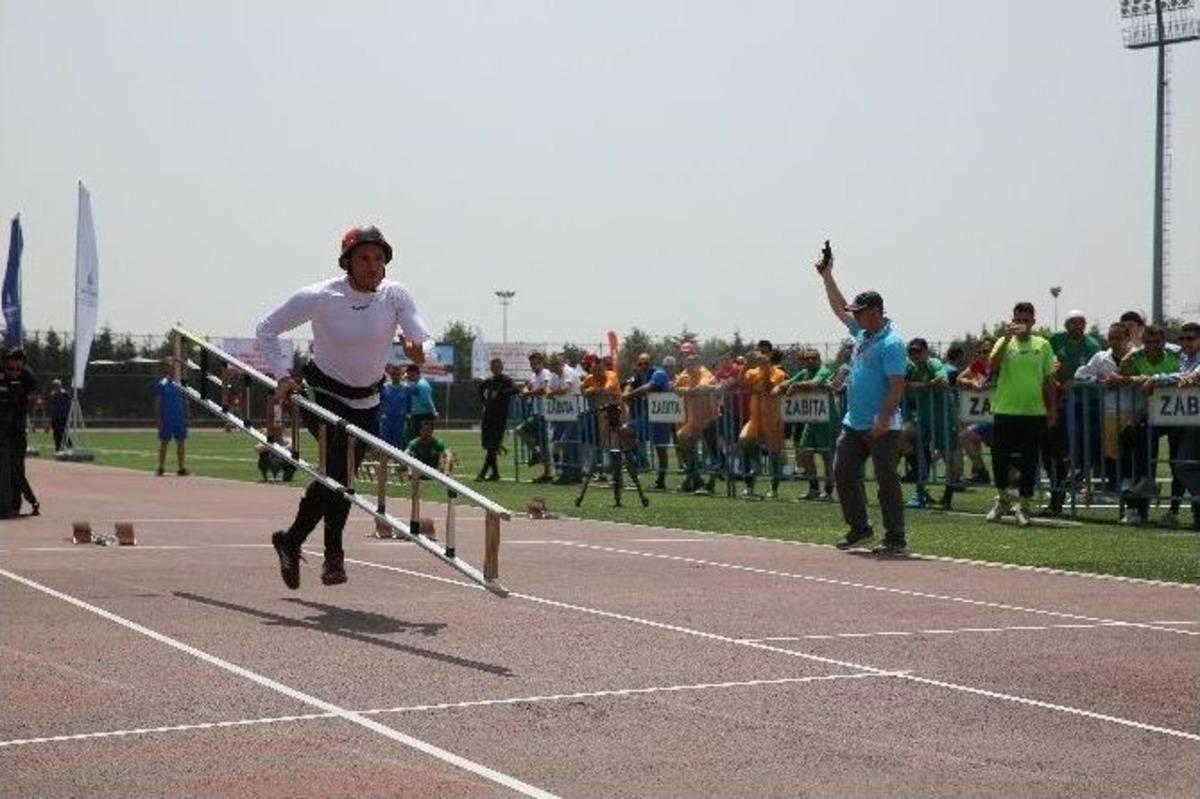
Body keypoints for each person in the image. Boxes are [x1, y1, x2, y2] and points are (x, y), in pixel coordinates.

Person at [257, 224, 431, 589]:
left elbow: (421, 334)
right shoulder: (321, 296)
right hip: (323, 393)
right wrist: (282, 375)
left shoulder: (395, 295)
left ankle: (290, 540)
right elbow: (267, 329)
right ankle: (333, 555)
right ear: (347, 263)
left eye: (379, 259)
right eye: (364, 259)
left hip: (368, 399)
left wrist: (420, 349)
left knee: (341, 479)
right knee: (338, 473)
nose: (373, 266)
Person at [815, 247, 909, 556]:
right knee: (842, 472)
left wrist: (884, 416)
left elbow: (897, 383)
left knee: (886, 480)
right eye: (855, 312)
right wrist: (827, 275)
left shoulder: (892, 343)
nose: (854, 315)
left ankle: (895, 536)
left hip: (882, 425)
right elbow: (838, 308)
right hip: (854, 422)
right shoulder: (862, 334)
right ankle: (860, 528)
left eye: (860, 311)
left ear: (876, 311)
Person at [985, 302, 1057, 527]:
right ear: (1012, 320)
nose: (1022, 324)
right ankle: (1003, 499)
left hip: (1033, 412)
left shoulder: (1043, 345)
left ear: (1033, 322)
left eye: (1027, 320)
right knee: (999, 457)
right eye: (1018, 320)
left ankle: (1023, 505)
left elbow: (1049, 380)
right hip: (1005, 410)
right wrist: (1006, 338)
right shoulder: (1003, 342)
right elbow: (992, 366)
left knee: (1029, 460)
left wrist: (1052, 409)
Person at [1118, 324, 1181, 525]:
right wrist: (1131, 369)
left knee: (1176, 463)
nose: (1153, 346)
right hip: (1149, 416)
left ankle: (1174, 511)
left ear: (1163, 342)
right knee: (1142, 458)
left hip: (1177, 416)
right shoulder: (1137, 357)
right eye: (1149, 342)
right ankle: (1138, 510)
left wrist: (1155, 379)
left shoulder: (1176, 355)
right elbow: (1123, 374)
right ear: (1143, 343)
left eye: (1157, 342)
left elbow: (1185, 376)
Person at [1143, 321, 1200, 530]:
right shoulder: (1184, 358)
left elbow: (1193, 376)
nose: (1185, 342)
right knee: (1184, 466)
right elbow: (1183, 376)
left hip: (1193, 420)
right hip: (1191, 421)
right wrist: (1159, 378)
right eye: (1182, 338)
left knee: (1184, 466)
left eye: (1191, 338)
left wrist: (1157, 378)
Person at [1045, 310, 1101, 515]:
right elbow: (1049, 363)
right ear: (1066, 325)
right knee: (1057, 447)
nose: (1077, 326)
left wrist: (1074, 383)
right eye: (1073, 322)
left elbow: (1094, 372)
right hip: (1058, 401)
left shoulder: (1092, 345)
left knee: (1082, 442)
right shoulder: (1056, 340)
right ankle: (1062, 485)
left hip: (1084, 403)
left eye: (1080, 322)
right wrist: (1057, 380)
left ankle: (1077, 476)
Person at [1074, 322, 1136, 493]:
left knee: (1133, 451)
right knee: (1111, 451)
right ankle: (1114, 486)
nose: (1114, 342)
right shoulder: (1101, 357)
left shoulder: (1137, 355)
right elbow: (1080, 375)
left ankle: (1131, 487)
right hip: (1110, 411)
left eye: (1119, 338)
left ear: (1128, 338)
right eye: (1111, 338)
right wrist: (1100, 382)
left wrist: (1126, 380)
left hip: (1136, 412)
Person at [899, 338, 950, 509]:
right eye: (911, 351)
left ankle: (947, 499)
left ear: (926, 351)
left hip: (943, 417)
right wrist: (925, 385)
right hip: (923, 419)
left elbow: (943, 381)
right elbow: (903, 383)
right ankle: (919, 482)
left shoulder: (933, 363)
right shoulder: (911, 367)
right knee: (902, 435)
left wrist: (922, 385)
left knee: (950, 457)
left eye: (918, 351)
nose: (915, 355)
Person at [739, 348, 788, 499]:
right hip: (755, 419)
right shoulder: (752, 371)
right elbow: (741, 382)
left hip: (772, 419)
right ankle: (751, 481)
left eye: (764, 359)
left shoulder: (778, 373)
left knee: (775, 454)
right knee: (744, 440)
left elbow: (768, 387)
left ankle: (774, 490)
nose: (761, 361)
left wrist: (766, 369)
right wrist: (747, 364)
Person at [623, 352, 673, 489]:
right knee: (625, 431)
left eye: (646, 363)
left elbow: (649, 387)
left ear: (651, 363)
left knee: (661, 450)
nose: (643, 366)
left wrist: (630, 395)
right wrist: (627, 392)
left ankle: (661, 481)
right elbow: (629, 384)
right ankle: (641, 461)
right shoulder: (638, 375)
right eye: (640, 364)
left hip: (661, 417)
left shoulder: (659, 373)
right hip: (645, 417)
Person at [674, 350, 718, 493]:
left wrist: (687, 390)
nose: (688, 365)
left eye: (692, 363)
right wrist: (684, 390)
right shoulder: (685, 373)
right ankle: (695, 478)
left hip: (709, 418)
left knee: (711, 452)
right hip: (693, 420)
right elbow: (675, 388)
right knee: (682, 437)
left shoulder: (705, 373)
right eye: (686, 363)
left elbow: (701, 388)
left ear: (698, 363)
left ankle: (710, 484)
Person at [955, 336, 997, 485]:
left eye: (987, 351)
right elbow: (960, 378)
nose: (983, 355)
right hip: (986, 416)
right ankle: (982, 472)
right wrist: (971, 381)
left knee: (1007, 463)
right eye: (980, 351)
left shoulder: (1000, 364)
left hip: (1003, 415)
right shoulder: (978, 365)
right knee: (965, 436)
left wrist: (987, 386)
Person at [3, 348, 39, 516]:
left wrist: (19, 400)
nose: (14, 372)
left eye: (18, 369)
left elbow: (32, 400)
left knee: (17, 467)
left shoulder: (28, 377)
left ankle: (14, 505)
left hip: (16, 426)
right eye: (10, 368)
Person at [515, 351, 552, 481]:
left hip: (545, 413)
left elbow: (543, 389)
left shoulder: (545, 373)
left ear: (542, 363)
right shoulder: (534, 376)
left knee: (544, 443)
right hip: (536, 413)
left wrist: (528, 393)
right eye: (532, 363)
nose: (533, 366)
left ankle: (548, 473)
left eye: (536, 363)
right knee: (520, 430)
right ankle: (537, 454)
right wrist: (525, 391)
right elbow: (526, 387)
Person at [477, 357, 516, 481]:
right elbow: (480, 390)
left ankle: (482, 473)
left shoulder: (506, 380)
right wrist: (485, 402)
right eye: (493, 367)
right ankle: (495, 474)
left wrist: (500, 394)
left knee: (493, 446)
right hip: (488, 416)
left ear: (501, 367)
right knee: (489, 446)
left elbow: (515, 389)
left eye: (498, 366)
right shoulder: (489, 381)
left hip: (500, 418)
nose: (495, 369)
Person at [546, 352, 583, 484]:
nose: (554, 366)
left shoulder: (569, 372)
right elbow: (547, 388)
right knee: (560, 442)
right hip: (560, 413)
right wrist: (549, 392)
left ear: (562, 363)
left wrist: (552, 393)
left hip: (574, 413)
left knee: (567, 443)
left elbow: (566, 389)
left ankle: (568, 474)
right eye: (552, 364)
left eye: (556, 363)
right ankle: (571, 473)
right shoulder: (554, 375)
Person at [153, 359, 190, 477]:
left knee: (181, 442)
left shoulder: (180, 384)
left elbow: (185, 400)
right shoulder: (162, 384)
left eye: (173, 367)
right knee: (164, 442)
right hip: (167, 418)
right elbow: (158, 402)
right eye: (169, 367)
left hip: (179, 418)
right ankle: (161, 467)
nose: (172, 369)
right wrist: (158, 418)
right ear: (166, 369)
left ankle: (181, 467)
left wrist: (188, 414)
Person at [378, 364, 412, 451]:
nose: (395, 376)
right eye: (393, 373)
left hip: (400, 422)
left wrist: (408, 415)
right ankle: (383, 464)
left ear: (401, 374)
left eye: (398, 373)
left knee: (400, 446)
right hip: (386, 422)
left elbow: (409, 405)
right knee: (384, 446)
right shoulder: (384, 387)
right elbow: (379, 404)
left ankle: (400, 463)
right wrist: (381, 416)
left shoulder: (406, 388)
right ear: (390, 374)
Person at [404, 363, 437, 444]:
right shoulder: (417, 384)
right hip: (418, 415)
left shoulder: (422, 385)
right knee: (415, 439)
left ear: (414, 373)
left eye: (409, 374)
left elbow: (427, 400)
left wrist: (434, 412)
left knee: (419, 439)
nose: (408, 376)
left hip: (423, 416)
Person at [47, 379, 72, 452]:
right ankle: (58, 447)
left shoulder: (65, 393)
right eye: (54, 385)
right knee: (56, 432)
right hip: (55, 416)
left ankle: (68, 444)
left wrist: (68, 414)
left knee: (63, 431)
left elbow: (69, 404)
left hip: (63, 416)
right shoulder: (52, 393)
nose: (56, 387)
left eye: (57, 385)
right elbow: (51, 405)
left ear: (60, 385)